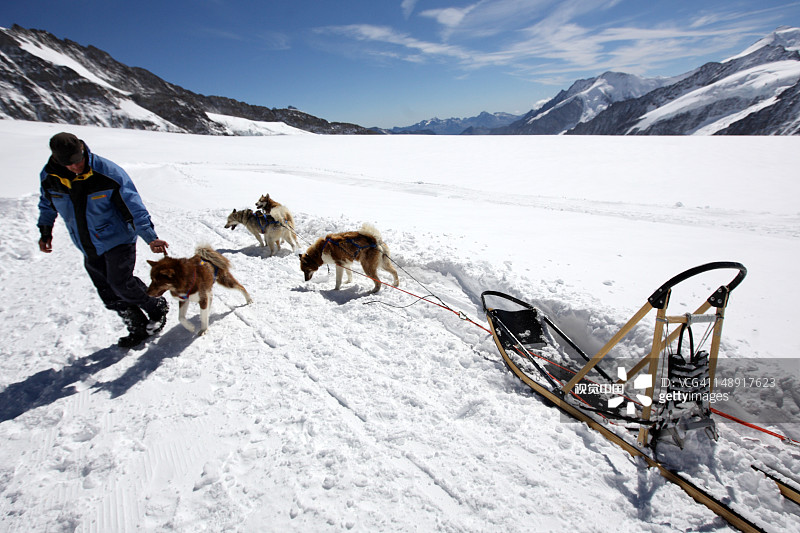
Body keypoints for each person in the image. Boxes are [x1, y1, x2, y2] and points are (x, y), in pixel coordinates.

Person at [37, 132, 170, 348]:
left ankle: (156, 306)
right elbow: (47, 205)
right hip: (86, 243)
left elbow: (133, 207)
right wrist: (45, 230)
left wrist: (150, 238)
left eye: (79, 160)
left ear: (82, 149)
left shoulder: (107, 173)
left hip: (118, 238)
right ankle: (136, 324)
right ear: (58, 161)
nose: (76, 166)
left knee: (121, 283)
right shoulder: (50, 177)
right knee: (107, 291)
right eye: (69, 164)